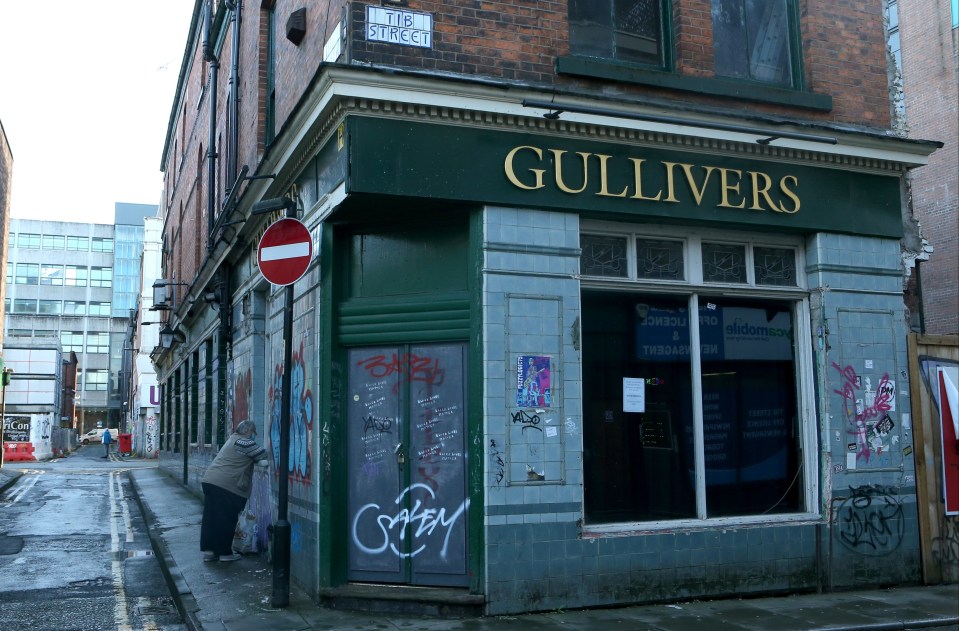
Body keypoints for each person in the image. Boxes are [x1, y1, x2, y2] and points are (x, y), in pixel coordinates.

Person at [200, 420, 268, 562]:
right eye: (253, 433)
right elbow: (263, 455)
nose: (253, 436)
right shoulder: (244, 442)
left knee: (211, 519)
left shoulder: (232, 439)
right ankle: (225, 553)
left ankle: (210, 552)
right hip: (226, 486)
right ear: (248, 431)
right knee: (226, 519)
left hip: (211, 481)